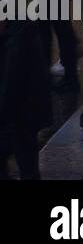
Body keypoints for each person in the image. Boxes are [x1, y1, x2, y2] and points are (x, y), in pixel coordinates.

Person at [0, 14, 51, 180]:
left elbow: (13, 78)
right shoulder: (19, 29)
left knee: (26, 158)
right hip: (18, 110)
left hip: (21, 110)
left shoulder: (21, 33)